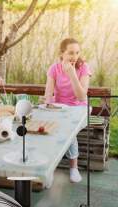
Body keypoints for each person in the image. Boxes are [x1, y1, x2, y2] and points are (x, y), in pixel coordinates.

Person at [43, 38, 91, 183]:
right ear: (62, 53)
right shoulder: (54, 68)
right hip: (59, 107)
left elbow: (81, 96)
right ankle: (49, 168)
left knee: (68, 131)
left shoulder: (83, 68)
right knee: (48, 130)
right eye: (70, 53)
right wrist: (47, 105)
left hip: (79, 108)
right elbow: (48, 92)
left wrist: (71, 74)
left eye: (77, 53)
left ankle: (73, 167)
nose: (74, 57)